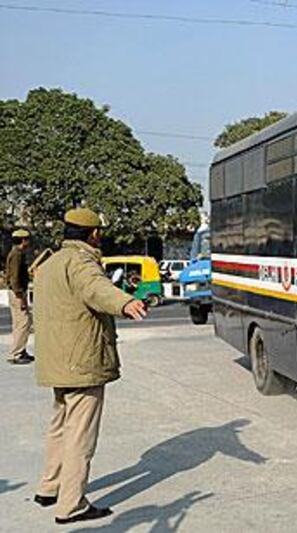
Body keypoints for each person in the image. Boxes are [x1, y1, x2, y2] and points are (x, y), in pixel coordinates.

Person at [32, 208, 147, 525]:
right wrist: (125, 302)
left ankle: (49, 488)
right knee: (80, 436)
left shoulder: (51, 262)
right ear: (93, 234)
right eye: (99, 232)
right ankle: (71, 505)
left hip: (57, 361)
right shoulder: (81, 262)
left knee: (60, 426)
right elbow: (96, 289)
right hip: (82, 362)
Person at [5, 228, 33, 364]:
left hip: (16, 291)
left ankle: (20, 350)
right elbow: (15, 277)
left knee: (19, 323)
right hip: (17, 292)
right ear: (23, 240)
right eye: (27, 239)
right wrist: (20, 296)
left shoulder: (16, 253)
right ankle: (16, 353)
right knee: (24, 322)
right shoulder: (17, 254)